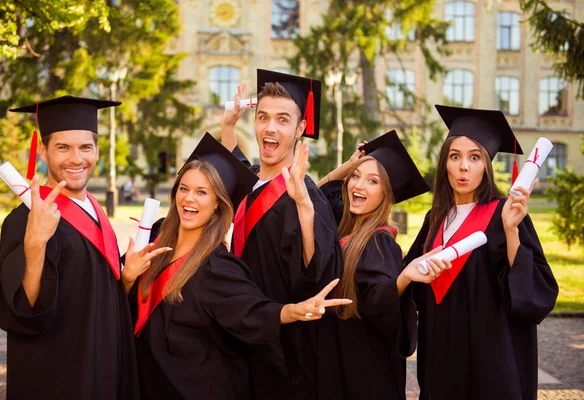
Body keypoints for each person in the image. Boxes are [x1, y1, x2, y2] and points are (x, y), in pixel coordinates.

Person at [122, 133, 351, 400]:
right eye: (183, 189)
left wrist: (294, 311)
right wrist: (127, 277)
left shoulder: (218, 268)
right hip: (145, 381)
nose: (189, 199)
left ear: (217, 203)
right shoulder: (154, 239)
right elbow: (119, 306)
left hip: (191, 388)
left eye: (201, 192)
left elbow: (254, 311)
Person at [403, 105, 559, 400]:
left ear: (486, 165)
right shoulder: (435, 218)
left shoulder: (506, 214)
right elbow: (412, 285)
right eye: (455, 156)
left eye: (474, 157)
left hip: (491, 359)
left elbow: (534, 293)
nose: (464, 166)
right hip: (441, 356)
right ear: (444, 164)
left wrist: (512, 231)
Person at [0, 96, 139, 399]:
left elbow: (95, 292)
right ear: (43, 151)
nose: (76, 158)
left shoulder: (95, 210)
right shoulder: (25, 219)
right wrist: (34, 245)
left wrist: (126, 278)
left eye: (85, 147)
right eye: (63, 147)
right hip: (59, 374)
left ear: (97, 150)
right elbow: (21, 310)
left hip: (102, 364)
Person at [220, 70, 343, 399]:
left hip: (284, 348)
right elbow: (236, 164)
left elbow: (319, 270)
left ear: (300, 128)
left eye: (283, 120)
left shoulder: (306, 195)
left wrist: (303, 206)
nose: (270, 128)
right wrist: (229, 125)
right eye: (263, 118)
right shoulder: (252, 180)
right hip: (242, 330)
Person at [317, 130, 450, 400]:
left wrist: (401, 281)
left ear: (386, 195)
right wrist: (345, 168)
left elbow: (378, 301)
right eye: (356, 177)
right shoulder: (345, 229)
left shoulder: (380, 242)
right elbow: (319, 198)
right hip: (337, 360)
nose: (358, 186)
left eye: (372, 181)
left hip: (364, 373)